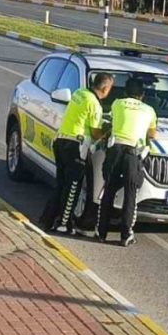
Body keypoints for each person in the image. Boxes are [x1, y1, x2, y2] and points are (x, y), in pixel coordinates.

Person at [38, 72, 114, 234]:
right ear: (106, 88)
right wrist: (106, 130)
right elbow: (94, 134)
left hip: (61, 140)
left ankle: (47, 219)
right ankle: (63, 224)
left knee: (61, 183)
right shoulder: (94, 104)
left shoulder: (80, 93)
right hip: (76, 145)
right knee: (72, 186)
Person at [96, 77, 158, 246]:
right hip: (133, 152)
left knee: (109, 189)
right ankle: (125, 235)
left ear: (125, 92)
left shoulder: (117, 103)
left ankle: (101, 232)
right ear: (143, 95)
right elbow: (152, 135)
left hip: (115, 150)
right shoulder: (149, 110)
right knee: (131, 194)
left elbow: (113, 121)